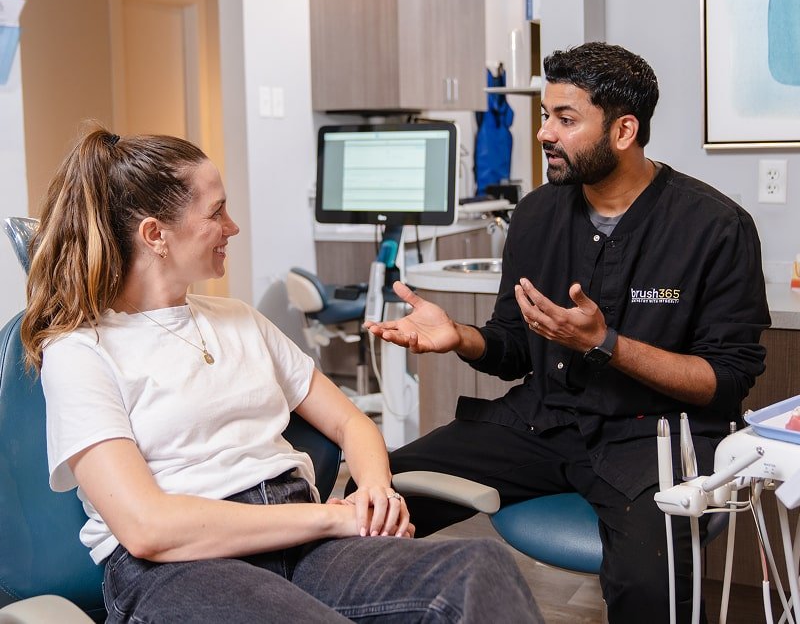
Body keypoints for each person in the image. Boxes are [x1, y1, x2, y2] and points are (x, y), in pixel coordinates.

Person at [20, 126, 542, 623]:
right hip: (181, 569)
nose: (233, 227)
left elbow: (350, 424)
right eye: (216, 212)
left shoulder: (239, 320)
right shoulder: (80, 349)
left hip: (301, 542)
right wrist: (333, 518)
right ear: (155, 235)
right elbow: (147, 528)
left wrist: (375, 493)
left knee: (478, 570)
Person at [361, 42, 771, 623]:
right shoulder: (536, 215)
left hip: (651, 438)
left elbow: (725, 382)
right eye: (545, 115)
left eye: (565, 119)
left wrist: (606, 344)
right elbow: (510, 345)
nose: (544, 133)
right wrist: (460, 336)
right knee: (373, 505)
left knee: (651, 588)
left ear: (624, 130)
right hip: (542, 421)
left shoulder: (715, 227)